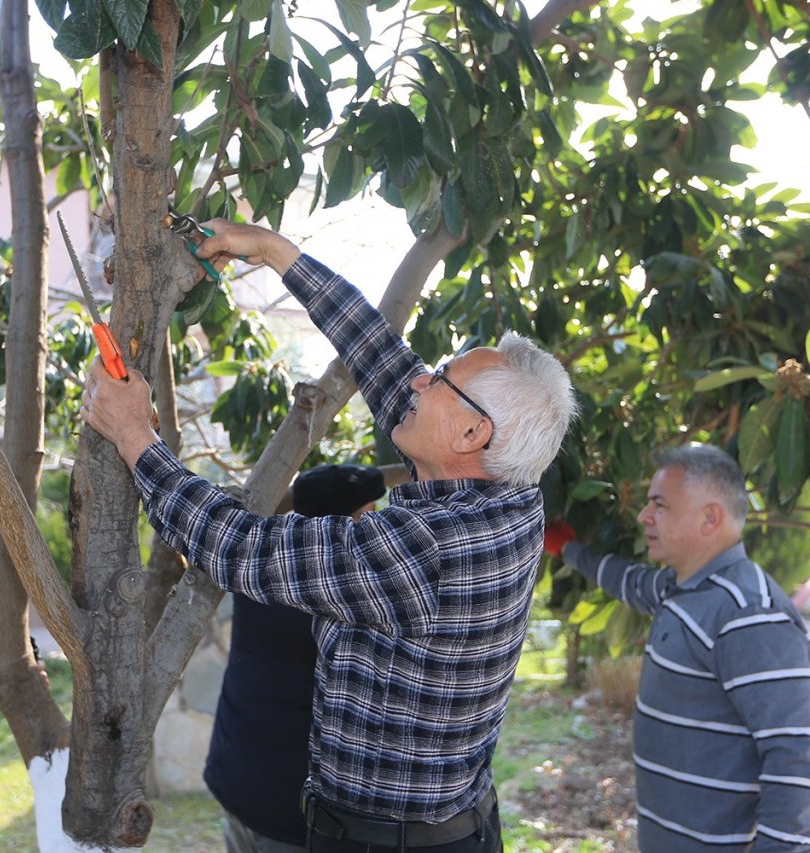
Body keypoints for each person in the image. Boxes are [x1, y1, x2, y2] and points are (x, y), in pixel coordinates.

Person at [81, 221, 577, 850]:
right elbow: (381, 354)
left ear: (472, 436)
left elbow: (239, 548)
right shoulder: (511, 493)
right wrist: (276, 253)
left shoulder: (427, 552)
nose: (418, 381)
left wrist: (133, 437)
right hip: (448, 825)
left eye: (439, 378)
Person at [546, 444, 810, 851]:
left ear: (710, 517)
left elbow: (796, 760)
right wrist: (567, 547)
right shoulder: (679, 589)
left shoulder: (749, 614)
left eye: (659, 505)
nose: (644, 516)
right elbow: (627, 580)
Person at [205, 464, 387, 852]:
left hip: (237, 778)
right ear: (352, 520)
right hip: (290, 810)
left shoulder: (261, 563)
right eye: (369, 511)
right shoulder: (347, 594)